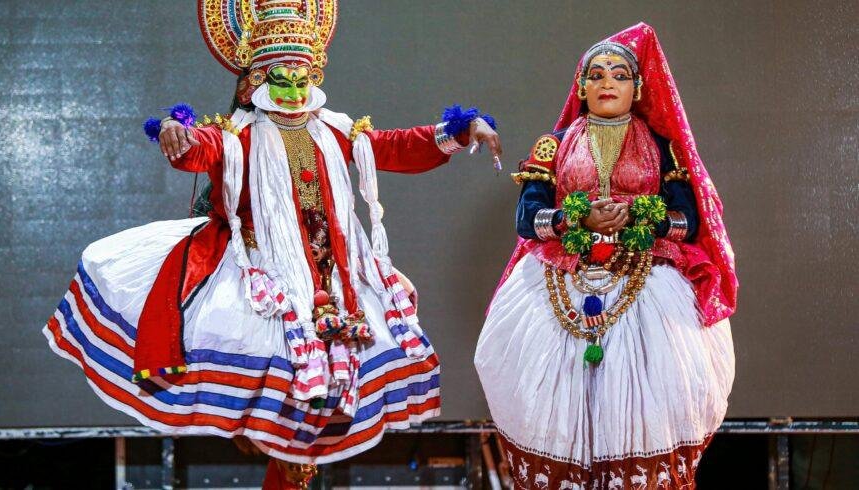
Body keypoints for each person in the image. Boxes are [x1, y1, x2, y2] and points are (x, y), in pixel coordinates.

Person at [42, 0, 500, 487]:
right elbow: (199, 149)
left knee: (316, 421)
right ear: (255, 80)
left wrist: (459, 130)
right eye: (281, 77)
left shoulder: (336, 130)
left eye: (302, 77)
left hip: (333, 277)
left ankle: (290, 468)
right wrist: (177, 132)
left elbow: (393, 146)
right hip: (264, 282)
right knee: (280, 414)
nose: (294, 88)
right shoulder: (236, 135)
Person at [475, 23, 737, 489]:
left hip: (647, 283)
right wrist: (574, 220)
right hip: (561, 280)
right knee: (546, 403)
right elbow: (526, 216)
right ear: (582, 87)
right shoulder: (553, 144)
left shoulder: (661, 147)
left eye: (619, 75)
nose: (607, 83)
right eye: (596, 75)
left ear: (637, 88)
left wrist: (640, 217)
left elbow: (687, 222)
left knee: (653, 400)